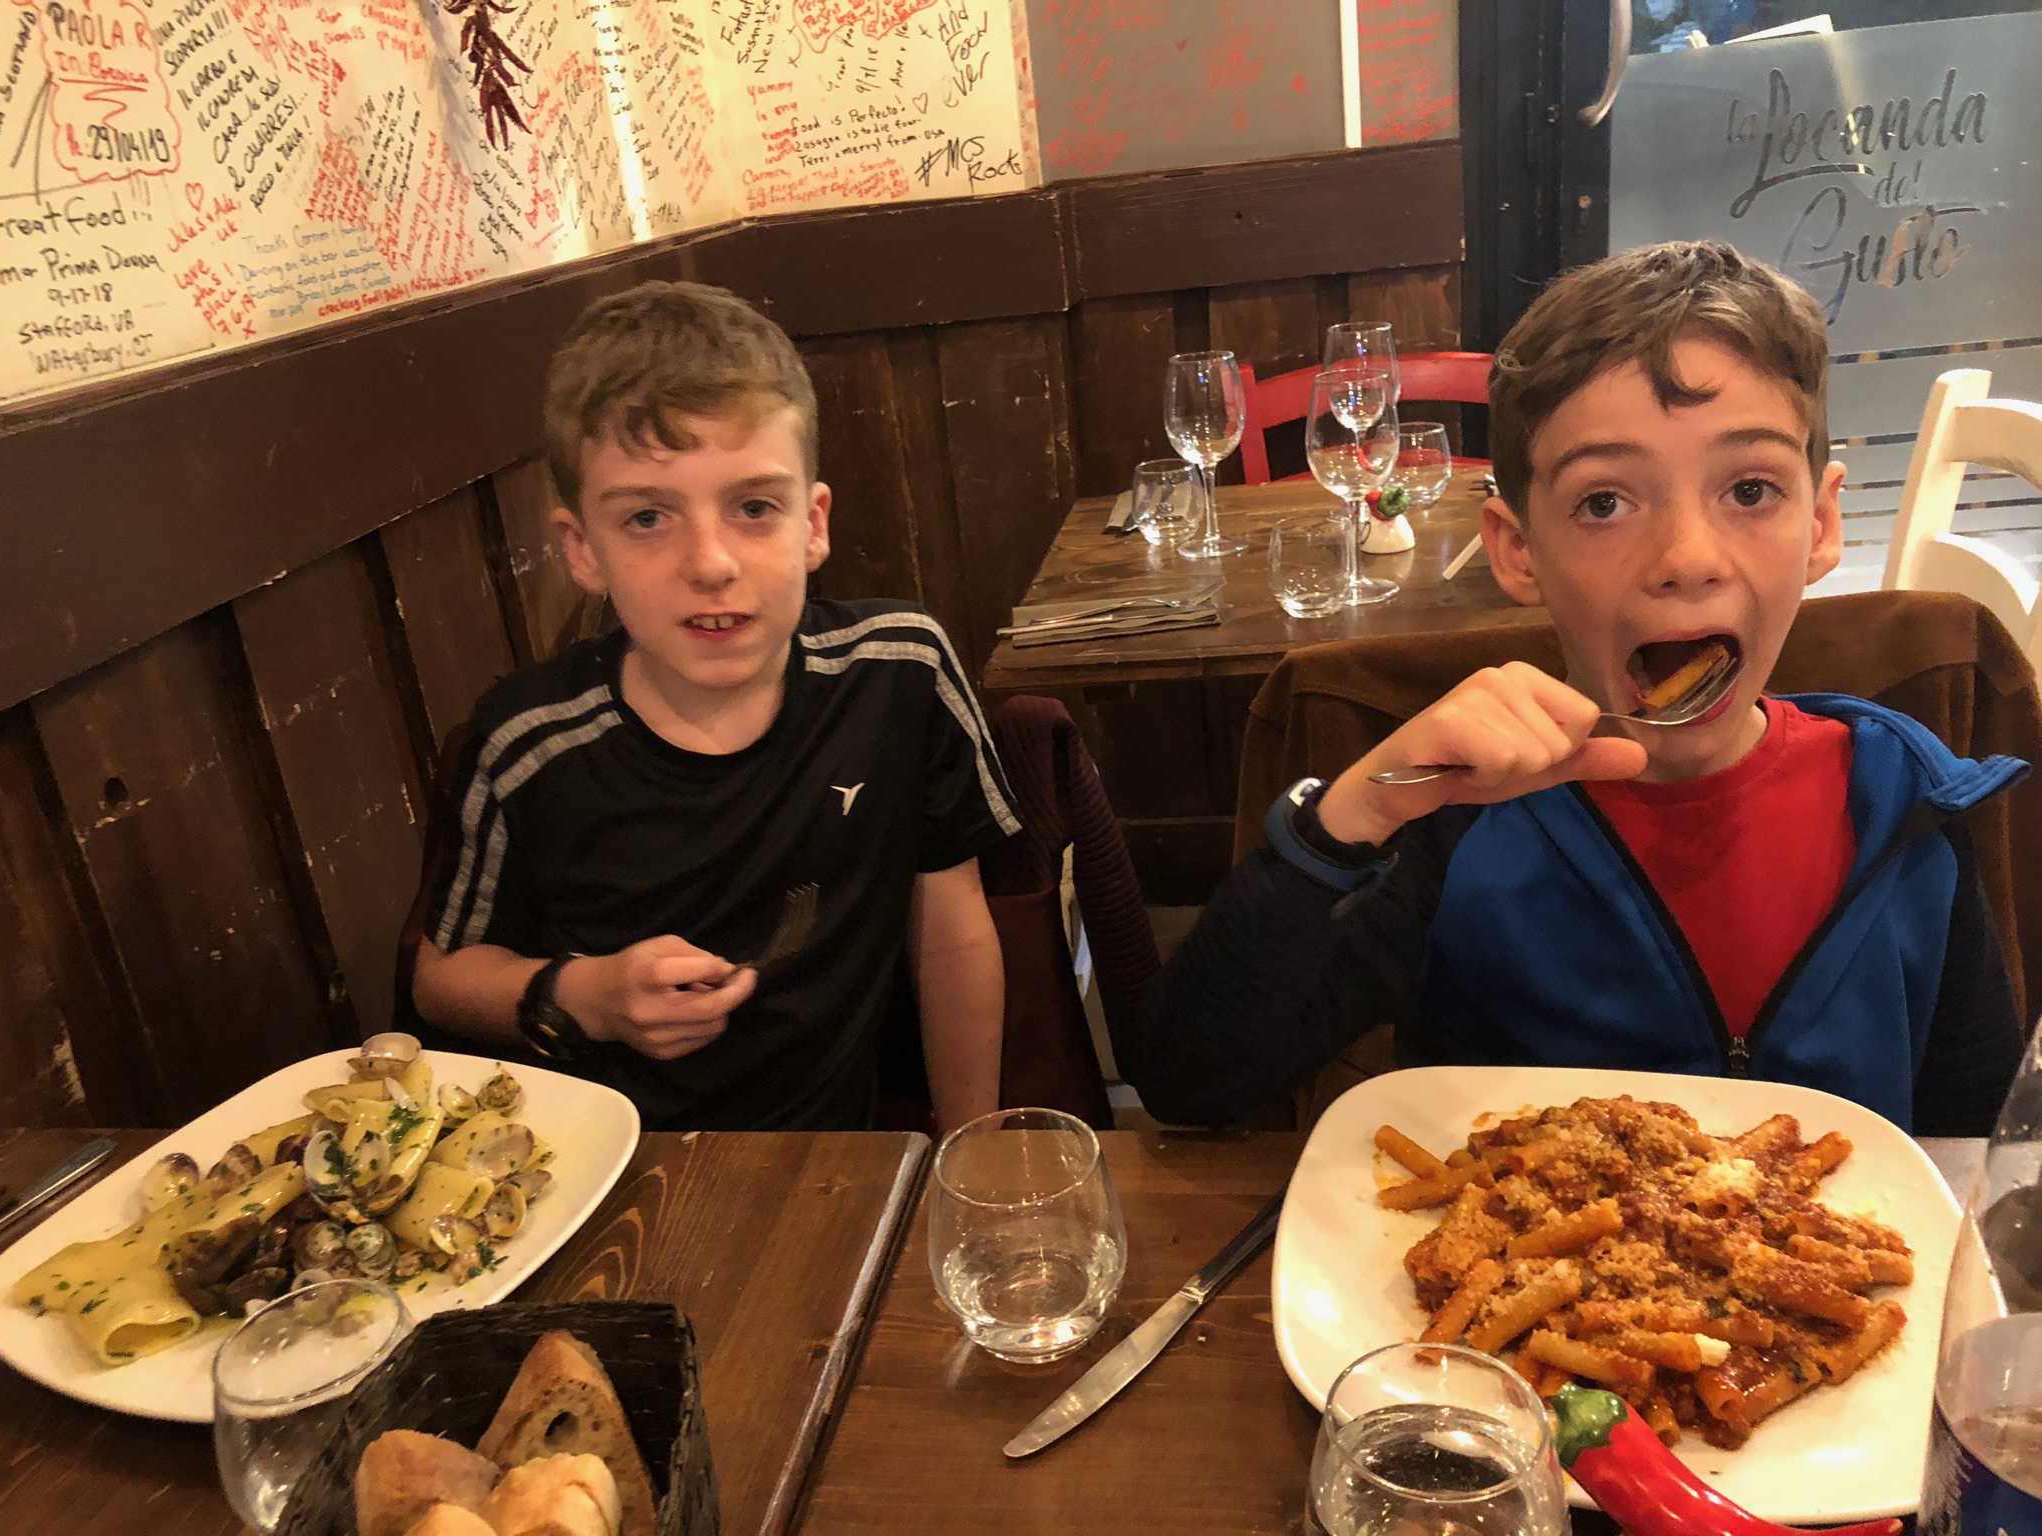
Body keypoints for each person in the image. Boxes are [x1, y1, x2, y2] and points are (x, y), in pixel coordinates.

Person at [1134, 241, 2026, 1138]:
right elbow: (1190, 1080)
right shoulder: (1465, 824)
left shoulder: (1903, 802)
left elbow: (1973, 1141)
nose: (1687, 559)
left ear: (1822, 525)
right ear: (1519, 550)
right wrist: (1356, 812)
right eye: (1604, 503)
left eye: (1751, 489)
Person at [412, 280, 1015, 1134]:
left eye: (754, 508)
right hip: (601, 1163)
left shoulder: (899, 672)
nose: (710, 563)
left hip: (831, 1160)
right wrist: (588, 994)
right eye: (647, 518)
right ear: (582, 550)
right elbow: (440, 981)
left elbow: (951, 935)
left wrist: (970, 1146)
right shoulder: (525, 741)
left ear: (813, 524)